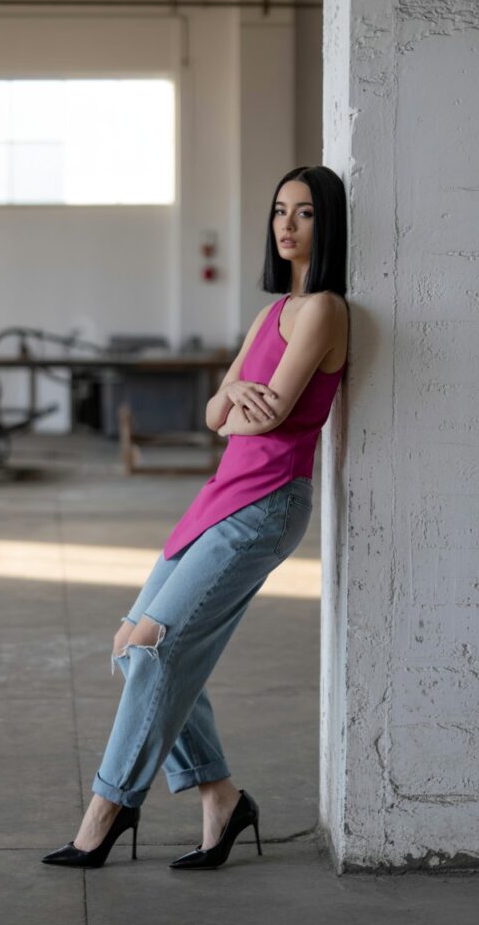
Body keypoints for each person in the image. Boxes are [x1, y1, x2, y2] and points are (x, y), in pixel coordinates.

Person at [41, 164, 349, 870]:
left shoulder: (326, 309)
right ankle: (220, 795)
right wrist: (237, 395)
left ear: (326, 225)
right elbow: (221, 417)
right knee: (130, 647)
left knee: (155, 646)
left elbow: (270, 411)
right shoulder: (270, 314)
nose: (287, 225)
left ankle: (108, 809)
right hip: (218, 497)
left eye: (304, 213)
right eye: (280, 211)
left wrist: (238, 397)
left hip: (267, 503)